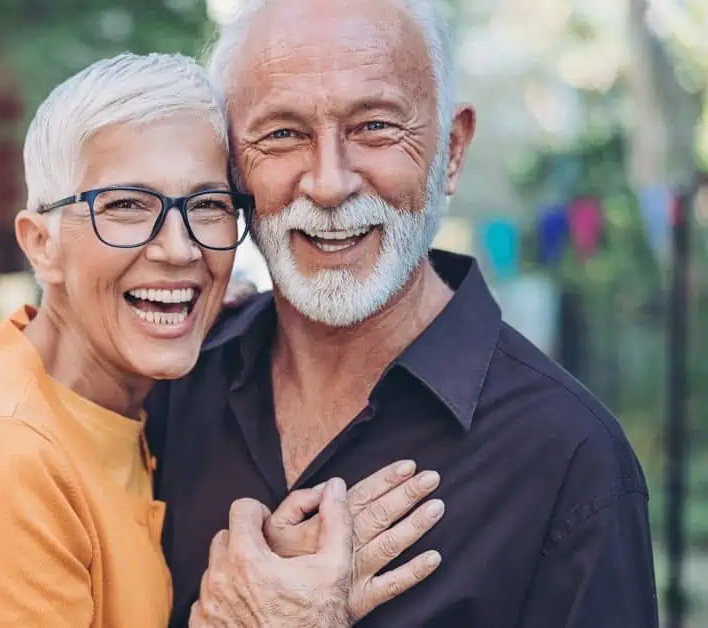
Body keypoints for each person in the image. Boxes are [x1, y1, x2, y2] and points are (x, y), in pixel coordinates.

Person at [0, 52, 444, 627]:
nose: (179, 250)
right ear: (41, 245)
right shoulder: (3, 458)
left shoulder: (111, 402)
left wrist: (266, 569)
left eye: (208, 206)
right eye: (127, 206)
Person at [145, 0, 661, 626]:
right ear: (231, 166)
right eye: (282, 133)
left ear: (452, 150)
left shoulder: (568, 458)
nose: (329, 183)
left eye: (375, 127)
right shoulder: (169, 386)